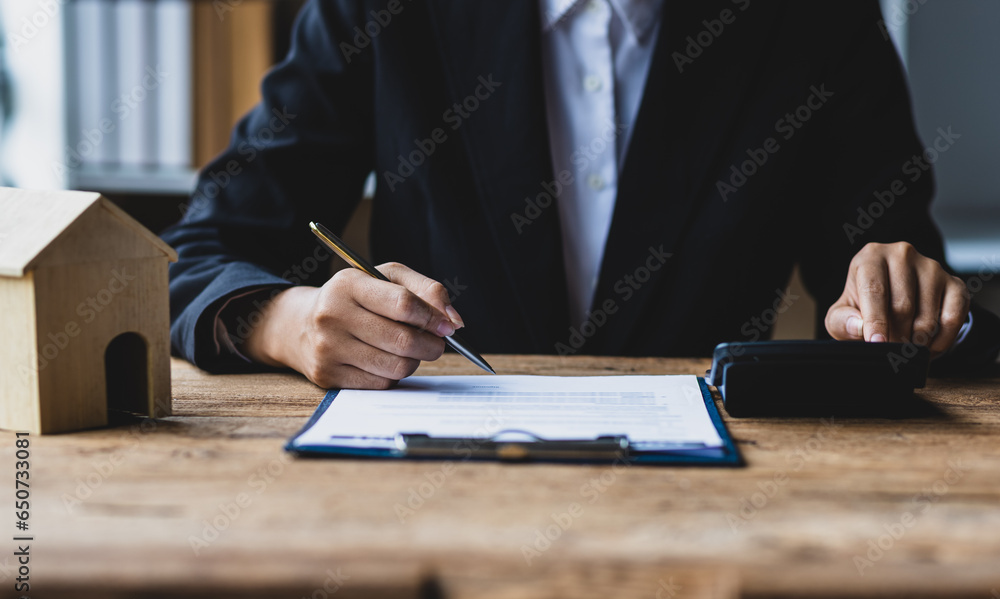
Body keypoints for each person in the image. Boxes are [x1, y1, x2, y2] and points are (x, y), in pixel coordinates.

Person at [162, 0, 1000, 389]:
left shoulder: (817, 24)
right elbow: (199, 251)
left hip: (715, 521)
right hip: (420, 501)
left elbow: (912, 297)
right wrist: (287, 321)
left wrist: (926, 309)